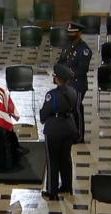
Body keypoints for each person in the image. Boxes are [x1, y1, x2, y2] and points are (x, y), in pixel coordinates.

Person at [40, 64, 78, 201]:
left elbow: (44, 113)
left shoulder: (52, 95)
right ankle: (67, 186)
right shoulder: (73, 92)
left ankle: (52, 191)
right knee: (65, 158)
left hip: (54, 130)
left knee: (53, 161)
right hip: (68, 127)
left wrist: (43, 118)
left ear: (57, 79)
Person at [58, 22, 92, 144]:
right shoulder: (67, 45)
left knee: (76, 109)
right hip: (66, 84)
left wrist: (66, 74)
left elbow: (82, 70)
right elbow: (61, 61)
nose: (70, 35)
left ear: (79, 33)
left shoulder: (85, 50)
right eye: (69, 33)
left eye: (73, 33)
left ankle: (79, 136)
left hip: (77, 85)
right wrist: (57, 73)